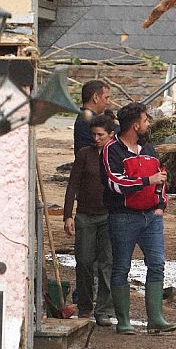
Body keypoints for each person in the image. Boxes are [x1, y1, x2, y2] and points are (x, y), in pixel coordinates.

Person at [101, 102, 176, 334]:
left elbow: (161, 177)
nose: (148, 124)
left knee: (157, 264)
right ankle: (124, 321)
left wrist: (161, 204)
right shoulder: (112, 149)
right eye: (145, 121)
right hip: (123, 217)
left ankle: (156, 318)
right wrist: (147, 181)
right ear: (135, 125)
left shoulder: (148, 148)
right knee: (121, 266)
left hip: (151, 217)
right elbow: (115, 183)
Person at [64, 114, 117, 326]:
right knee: (84, 261)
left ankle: (104, 310)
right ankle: (85, 306)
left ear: (111, 135)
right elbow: (72, 185)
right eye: (93, 134)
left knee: (107, 263)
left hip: (109, 216)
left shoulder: (117, 155)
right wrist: (68, 215)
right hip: (85, 215)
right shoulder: (85, 154)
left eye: (100, 135)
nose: (96, 138)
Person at [75, 80, 111, 156]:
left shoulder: (85, 117)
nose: (108, 102)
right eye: (106, 98)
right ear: (95, 98)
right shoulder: (90, 120)